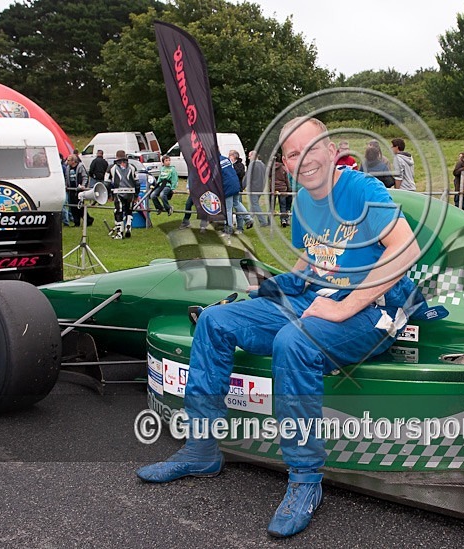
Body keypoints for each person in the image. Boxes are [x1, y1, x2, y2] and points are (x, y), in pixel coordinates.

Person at [135, 117, 422, 538]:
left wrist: (342, 309)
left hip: (370, 311)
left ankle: (305, 479)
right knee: (215, 320)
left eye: (309, 149)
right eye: (291, 154)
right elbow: (314, 258)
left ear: (330, 149)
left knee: (294, 341)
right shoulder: (304, 199)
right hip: (317, 300)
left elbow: (406, 250)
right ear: (284, 163)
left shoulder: (360, 189)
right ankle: (201, 449)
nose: (302, 160)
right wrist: (283, 285)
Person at [106, 151, 138, 239]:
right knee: (129, 210)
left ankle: (120, 233)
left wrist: (109, 194)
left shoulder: (111, 167)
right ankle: (128, 226)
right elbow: (137, 182)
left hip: (118, 192)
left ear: (116, 157)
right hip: (130, 192)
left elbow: (107, 183)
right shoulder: (132, 167)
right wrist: (136, 195)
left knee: (118, 211)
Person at [65, 154, 93, 227]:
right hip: (71, 190)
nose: (67, 162)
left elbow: (85, 177)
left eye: (68, 160)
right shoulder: (68, 168)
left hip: (79, 190)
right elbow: (66, 177)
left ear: (73, 161)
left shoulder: (80, 167)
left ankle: (88, 219)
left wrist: (83, 185)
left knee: (80, 206)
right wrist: (66, 185)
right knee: (73, 207)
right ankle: (76, 222)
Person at [228, 150, 253, 232]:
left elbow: (237, 174)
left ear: (233, 156)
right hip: (234, 187)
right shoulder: (232, 165)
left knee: (236, 206)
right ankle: (247, 219)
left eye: (229, 155)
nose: (228, 157)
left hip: (236, 188)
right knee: (236, 205)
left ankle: (239, 227)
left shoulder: (240, 165)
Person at [245, 150, 270, 226]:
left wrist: (242, 186)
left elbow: (247, 177)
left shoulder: (252, 164)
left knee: (255, 205)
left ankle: (263, 221)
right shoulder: (263, 164)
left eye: (249, 156)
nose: (249, 158)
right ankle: (248, 220)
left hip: (253, 188)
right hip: (260, 187)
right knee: (253, 205)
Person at [272, 154, 291, 227]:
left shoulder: (271, 168)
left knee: (272, 205)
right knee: (283, 205)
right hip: (283, 188)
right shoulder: (284, 168)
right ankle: (283, 219)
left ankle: (270, 220)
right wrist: (288, 188)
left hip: (273, 187)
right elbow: (287, 180)